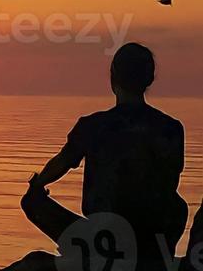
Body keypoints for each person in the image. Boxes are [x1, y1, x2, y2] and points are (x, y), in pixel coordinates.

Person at [23, 43, 188, 255]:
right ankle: (157, 256)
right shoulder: (172, 129)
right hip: (153, 233)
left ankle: (88, 253)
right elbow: (171, 179)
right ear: (149, 79)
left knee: (32, 202)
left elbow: (61, 163)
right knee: (179, 205)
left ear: (113, 78)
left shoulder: (92, 126)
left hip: (104, 234)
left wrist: (38, 183)